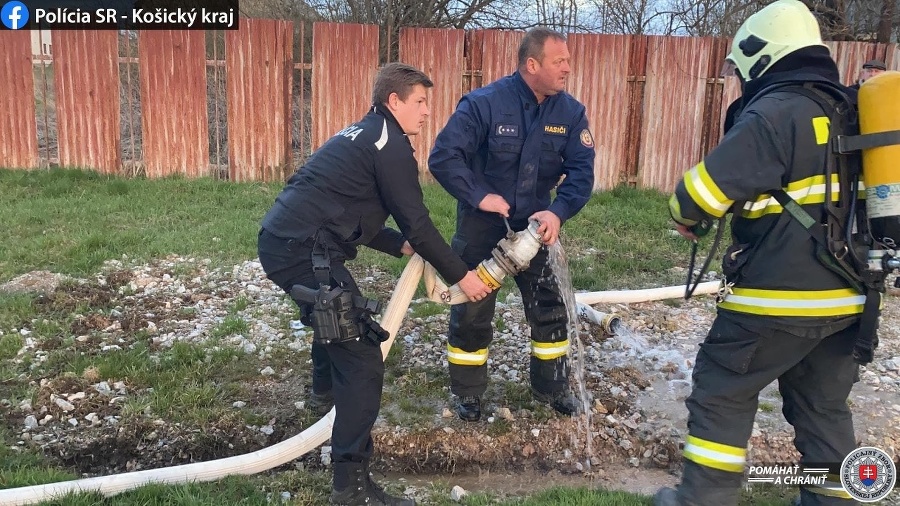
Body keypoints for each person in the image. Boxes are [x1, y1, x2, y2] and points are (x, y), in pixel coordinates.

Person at [656, 1, 869, 505]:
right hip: (848, 302)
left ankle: (702, 499)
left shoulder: (776, 112)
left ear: (761, 54)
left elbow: (694, 199)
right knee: (823, 410)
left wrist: (689, 219)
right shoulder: (847, 110)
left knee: (721, 389)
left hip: (775, 299)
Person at [257, 62, 491, 506]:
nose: (426, 112)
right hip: (302, 249)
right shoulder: (390, 145)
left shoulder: (363, 133)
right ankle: (352, 486)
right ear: (394, 101)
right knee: (363, 360)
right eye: (419, 102)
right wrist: (464, 276)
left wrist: (398, 245)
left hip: (287, 241)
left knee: (335, 317)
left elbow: (343, 201)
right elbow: (418, 222)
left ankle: (323, 397)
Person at [428, 27, 596, 422]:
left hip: (538, 230)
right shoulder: (484, 104)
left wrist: (558, 212)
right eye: (560, 61)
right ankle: (468, 393)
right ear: (532, 65)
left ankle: (551, 387)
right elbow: (444, 156)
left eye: (568, 61)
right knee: (472, 309)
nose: (568, 69)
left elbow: (582, 172)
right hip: (482, 227)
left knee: (551, 308)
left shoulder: (570, 113)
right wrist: (479, 196)